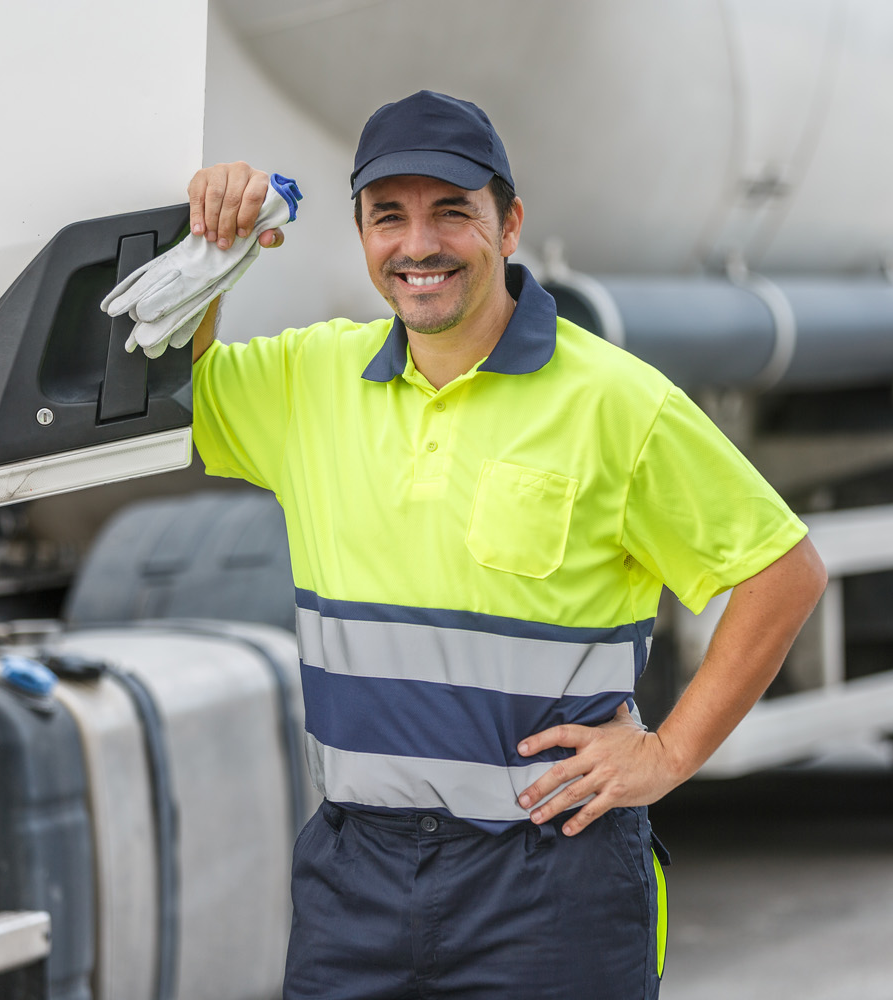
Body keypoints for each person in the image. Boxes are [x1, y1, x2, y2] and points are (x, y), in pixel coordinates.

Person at [185, 90, 827, 1000]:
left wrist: (669, 754)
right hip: (353, 879)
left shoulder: (614, 401)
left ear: (509, 223)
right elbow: (174, 389)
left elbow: (782, 570)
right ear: (361, 233)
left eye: (453, 211)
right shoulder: (306, 381)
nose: (419, 245)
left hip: (550, 883)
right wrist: (210, 246)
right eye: (389, 217)